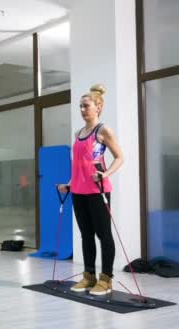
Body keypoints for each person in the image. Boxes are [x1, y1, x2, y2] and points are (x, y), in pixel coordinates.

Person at [57, 84, 123, 296]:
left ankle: (106, 279)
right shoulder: (78, 134)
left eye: (86, 106)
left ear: (98, 107)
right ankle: (88, 276)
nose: (83, 110)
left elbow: (120, 157)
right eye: (80, 107)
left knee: (104, 234)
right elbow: (79, 164)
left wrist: (105, 174)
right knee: (86, 235)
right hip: (78, 190)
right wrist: (69, 182)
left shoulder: (103, 130)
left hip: (97, 190)